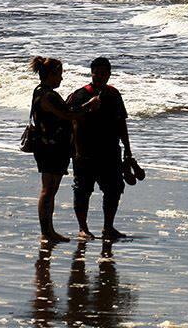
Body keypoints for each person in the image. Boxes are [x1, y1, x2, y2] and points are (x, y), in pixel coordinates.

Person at [29, 55, 100, 242]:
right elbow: (68, 114)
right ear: (50, 75)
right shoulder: (48, 95)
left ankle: (48, 231)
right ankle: (46, 232)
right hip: (50, 147)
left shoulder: (40, 92)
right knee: (49, 189)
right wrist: (89, 105)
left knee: (50, 189)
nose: (61, 78)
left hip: (49, 146)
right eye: (59, 74)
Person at [67, 57, 133, 241]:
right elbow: (71, 120)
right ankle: (83, 228)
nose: (100, 76)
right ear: (91, 73)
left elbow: (122, 123)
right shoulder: (80, 95)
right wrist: (77, 151)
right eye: (97, 73)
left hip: (110, 150)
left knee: (114, 189)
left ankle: (108, 228)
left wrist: (128, 150)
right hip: (84, 152)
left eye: (104, 73)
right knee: (82, 189)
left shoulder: (114, 94)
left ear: (109, 74)